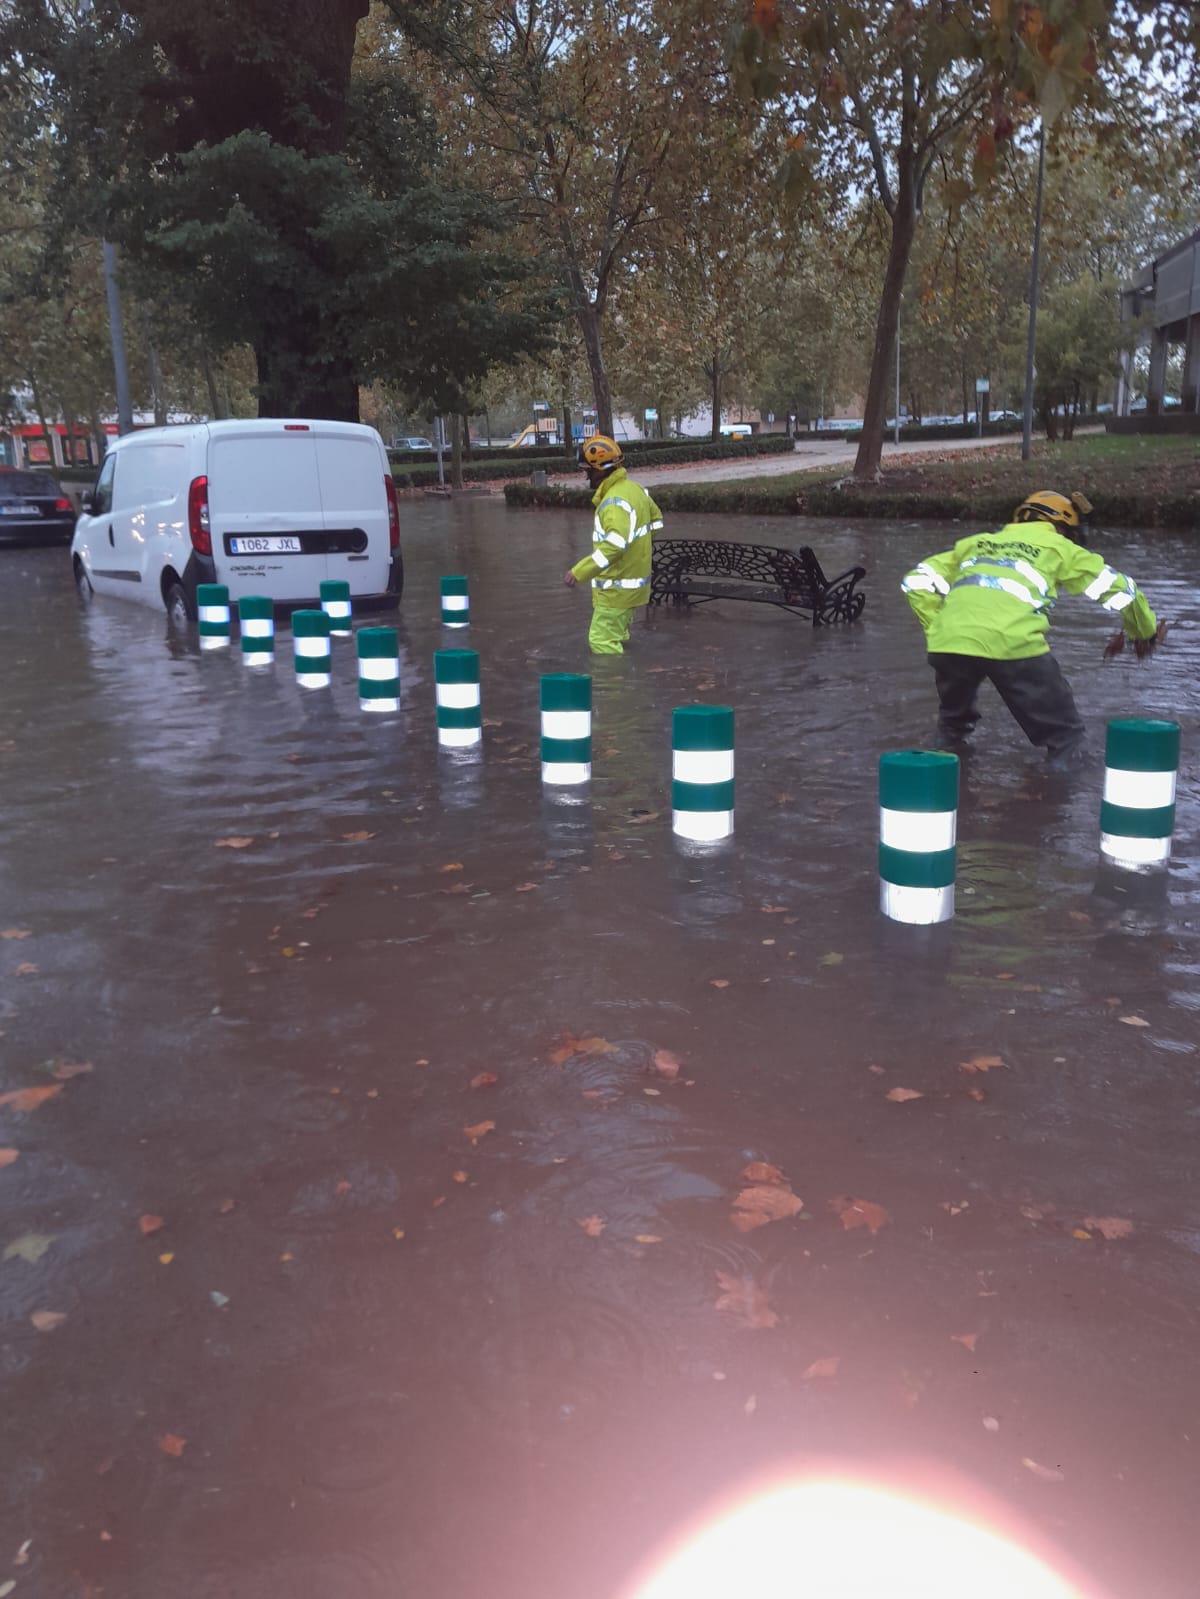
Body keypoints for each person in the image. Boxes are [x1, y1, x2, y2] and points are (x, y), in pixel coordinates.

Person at [901, 490, 1164, 766]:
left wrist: (939, 628)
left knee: (952, 729)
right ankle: (1059, 800)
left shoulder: (975, 543)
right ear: (1062, 526)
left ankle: (937, 780)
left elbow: (915, 581)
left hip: (949, 646)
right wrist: (1143, 633)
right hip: (1014, 645)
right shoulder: (1057, 547)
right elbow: (1125, 591)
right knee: (1067, 739)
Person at [564, 435, 664, 655]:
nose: (586, 476)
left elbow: (615, 546)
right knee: (619, 637)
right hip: (634, 587)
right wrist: (638, 548)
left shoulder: (612, 503)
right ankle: (630, 680)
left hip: (615, 590)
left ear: (600, 469)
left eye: (587, 471)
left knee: (601, 641)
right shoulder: (636, 490)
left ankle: (617, 686)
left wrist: (579, 571)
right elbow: (657, 522)